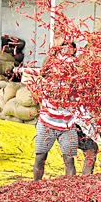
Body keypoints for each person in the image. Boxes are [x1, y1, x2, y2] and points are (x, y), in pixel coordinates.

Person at [33, 42, 78, 180]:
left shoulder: (75, 73)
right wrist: (55, 49)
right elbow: (45, 67)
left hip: (67, 124)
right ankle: (35, 185)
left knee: (69, 159)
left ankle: (70, 189)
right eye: (63, 47)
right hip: (47, 122)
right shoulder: (51, 68)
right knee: (40, 156)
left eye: (69, 48)